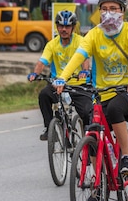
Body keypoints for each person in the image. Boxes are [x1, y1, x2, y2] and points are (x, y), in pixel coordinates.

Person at [55, 0, 128, 175]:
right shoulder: (94, 34)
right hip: (102, 91)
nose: (108, 12)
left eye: (113, 8)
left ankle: (127, 157)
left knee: (115, 109)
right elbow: (78, 56)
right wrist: (63, 77)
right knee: (92, 129)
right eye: (104, 9)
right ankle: (98, 181)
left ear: (122, 11)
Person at [28, 10, 92, 140]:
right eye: (61, 26)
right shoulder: (52, 44)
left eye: (67, 26)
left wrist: (84, 71)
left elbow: (85, 60)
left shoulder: (80, 41)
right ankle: (50, 129)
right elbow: (42, 62)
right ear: (56, 27)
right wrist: (35, 73)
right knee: (44, 95)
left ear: (73, 27)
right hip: (58, 84)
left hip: (77, 85)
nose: (64, 29)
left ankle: (88, 138)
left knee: (86, 112)